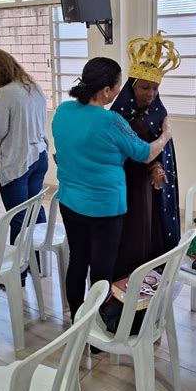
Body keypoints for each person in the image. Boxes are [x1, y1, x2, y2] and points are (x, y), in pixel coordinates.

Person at [52, 56, 173, 320]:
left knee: (77, 261)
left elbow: (63, 152)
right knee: (102, 269)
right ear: (106, 90)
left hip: (70, 202)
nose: (121, 92)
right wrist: (165, 134)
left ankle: (76, 320)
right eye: (119, 86)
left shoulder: (62, 111)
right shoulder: (112, 122)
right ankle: (97, 327)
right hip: (104, 208)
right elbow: (144, 153)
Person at [110, 31, 181, 280]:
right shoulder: (119, 115)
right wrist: (153, 163)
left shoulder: (157, 110)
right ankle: (129, 280)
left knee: (152, 228)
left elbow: (159, 149)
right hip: (128, 182)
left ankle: (152, 276)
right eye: (144, 87)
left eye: (155, 88)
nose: (150, 93)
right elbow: (136, 150)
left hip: (152, 183)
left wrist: (158, 168)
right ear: (132, 85)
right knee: (134, 232)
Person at [0, 48, 48, 282]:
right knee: (35, 209)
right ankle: (38, 262)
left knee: (18, 216)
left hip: (17, 160)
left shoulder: (5, 93)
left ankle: (16, 274)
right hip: (39, 155)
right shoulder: (34, 87)